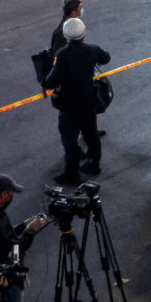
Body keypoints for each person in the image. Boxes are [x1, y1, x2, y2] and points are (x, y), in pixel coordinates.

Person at [42, 18, 111, 184]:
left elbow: (51, 80)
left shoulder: (63, 55)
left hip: (69, 105)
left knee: (69, 140)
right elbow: (106, 57)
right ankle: (94, 164)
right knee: (91, 135)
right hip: (88, 102)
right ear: (84, 32)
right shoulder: (92, 49)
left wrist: (44, 81)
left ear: (66, 35)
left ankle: (72, 174)